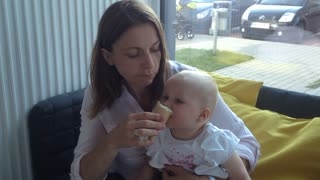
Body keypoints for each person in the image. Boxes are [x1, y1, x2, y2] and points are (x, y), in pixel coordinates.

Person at [70, 1, 260, 180]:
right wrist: (112, 142)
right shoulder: (99, 93)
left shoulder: (188, 82)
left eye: (155, 49)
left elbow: (248, 144)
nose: (150, 64)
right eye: (133, 54)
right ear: (108, 56)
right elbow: (81, 174)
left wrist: (207, 178)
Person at [137, 70, 251, 180]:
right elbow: (149, 165)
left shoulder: (216, 141)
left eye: (178, 101)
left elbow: (241, 176)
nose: (166, 104)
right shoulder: (160, 135)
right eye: (165, 97)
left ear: (202, 115)